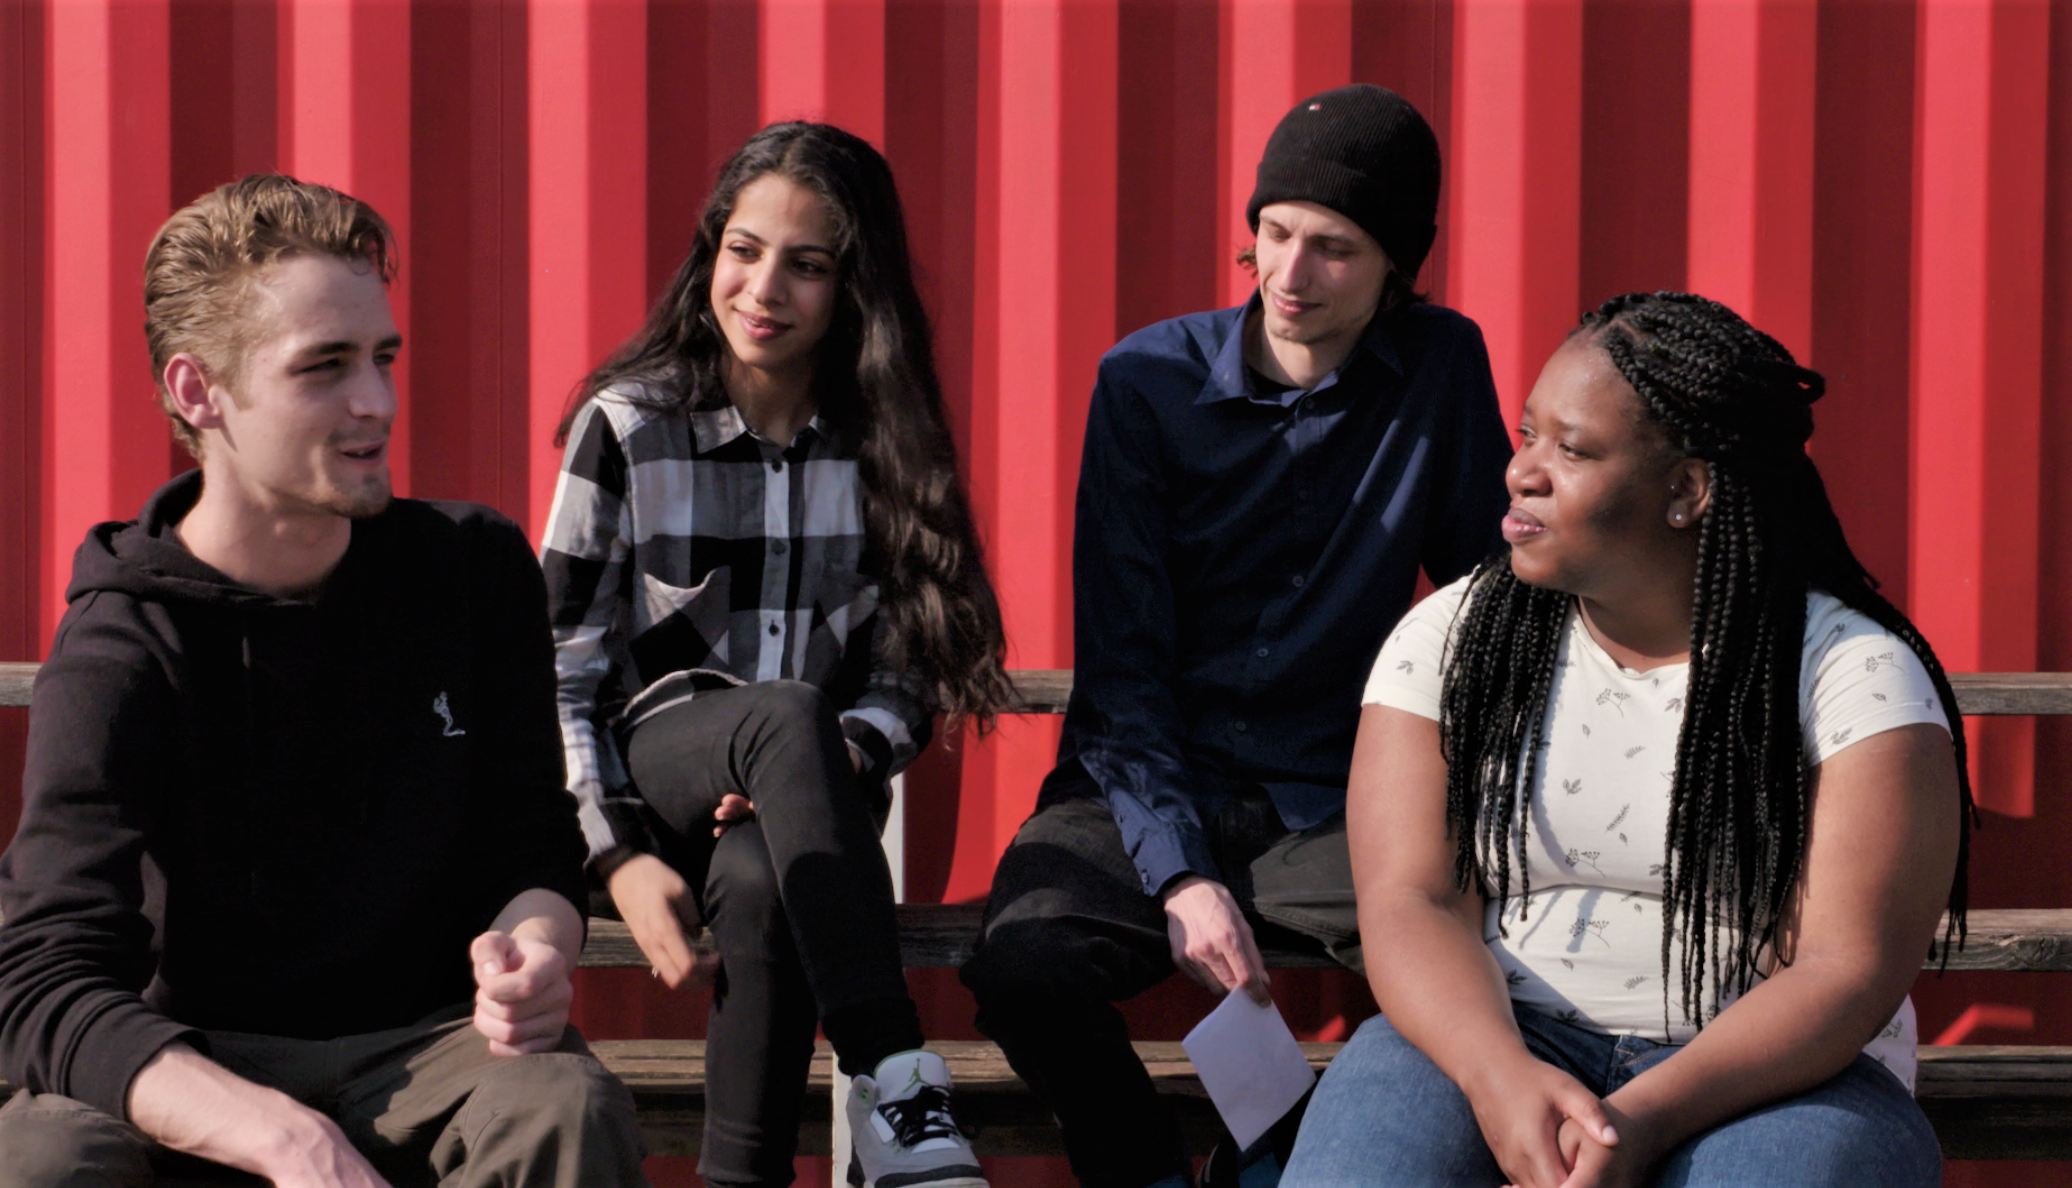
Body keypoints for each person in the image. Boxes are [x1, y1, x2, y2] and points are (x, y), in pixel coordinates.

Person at [0, 175, 648, 1187]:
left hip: (429, 1048)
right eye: (324, 366)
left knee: (561, 1106)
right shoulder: (122, 652)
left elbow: (530, 841)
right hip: (199, 1055)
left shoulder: (470, 571)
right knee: (40, 1157)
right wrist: (282, 1137)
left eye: (382, 358)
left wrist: (532, 948)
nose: (376, 402)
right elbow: (40, 980)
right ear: (198, 391)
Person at [1281, 292, 1970, 1188]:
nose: (1521, 472)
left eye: (1571, 450)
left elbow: (1845, 970)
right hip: (1493, 1038)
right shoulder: (1454, 638)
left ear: (1686, 490)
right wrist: (1500, 1080)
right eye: (1528, 435)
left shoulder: (1849, 675)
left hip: (1777, 1079)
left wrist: (1634, 1123)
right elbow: (1412, 899)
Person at [958, 85, 1513, 1188]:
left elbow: (1493, 600)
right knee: (1020, 963)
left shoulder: (1441, 365)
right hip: (1144, 779)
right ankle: (1153, 1172)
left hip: (1332, 792)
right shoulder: (1146, 383)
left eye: (1334, 249)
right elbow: (1123, 668)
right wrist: (1179, 875)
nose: (1290, 274)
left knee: (1482, 962)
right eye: (1274, 232)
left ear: (1397, 268)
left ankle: (1287, 1151)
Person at [540, 122, 1016, 1188]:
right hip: (659, 779)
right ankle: (893, 1070)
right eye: (743, 251)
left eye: (806, 265)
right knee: (786, 709)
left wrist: (834, 760)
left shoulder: (884, 442)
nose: (763, 290)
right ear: (710, 251)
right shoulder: (631, 426)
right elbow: (559, 672)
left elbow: (908, 674)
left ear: (854, 288)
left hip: (805, 813)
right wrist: (617, 855)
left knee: (765, 871)